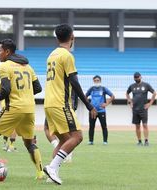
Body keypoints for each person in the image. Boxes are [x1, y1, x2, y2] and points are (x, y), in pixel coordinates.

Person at [0, 39, 44, 180]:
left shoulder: (4, 67)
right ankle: (40, 173)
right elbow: (38, 88)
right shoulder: (28, 67)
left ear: (7, 52)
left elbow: (5, 89)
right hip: (29, 109)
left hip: (14, 108)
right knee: (29, 143)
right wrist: (24, 95)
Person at [43, 24, 97, 185]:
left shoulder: (52, 55)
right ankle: (52, 168)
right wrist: (89, 105)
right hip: (61, 103)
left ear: (57, 37)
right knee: (77, 137)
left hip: (49, 103)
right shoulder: (67, 56)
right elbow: (74, 82)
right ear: (72, 37)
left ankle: (51, 174)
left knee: (63, 141)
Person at [44, 90, 78, 163]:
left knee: (48, 128)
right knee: (68, 132)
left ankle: (65, 150)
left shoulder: (59, 80)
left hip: (57, 105)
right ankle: (66, 153)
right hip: (67, 105)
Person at [126, 72, 156, 146]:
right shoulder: (132, 86)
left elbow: (154, 93)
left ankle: (146, 141)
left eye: (138, 77)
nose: (136, 78)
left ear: (140, 77)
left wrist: (150, 103)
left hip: (143, 109)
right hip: (135, 109)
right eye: (135, 77)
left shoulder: (146, 85)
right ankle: (139, 141)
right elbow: (127, 93)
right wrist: (130, 102)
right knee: (137, 126)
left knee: (145, 125)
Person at [86, 75, 115, 145]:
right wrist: (89, 105)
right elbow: (85, 96)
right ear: (93, 81)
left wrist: (106, 103)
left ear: (100, 81)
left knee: (104, 126)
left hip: (101, 111)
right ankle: (91, 141)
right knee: (91, 126)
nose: (96, 82)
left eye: (98, 80)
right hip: (93, 111)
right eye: (95, 80)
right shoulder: (91, 89)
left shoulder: (103, 89)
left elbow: (112, 96)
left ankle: (105, 141)